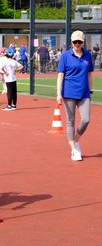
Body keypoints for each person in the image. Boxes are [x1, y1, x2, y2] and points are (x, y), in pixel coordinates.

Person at [56, 30, 94, 161]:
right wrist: (58, 94)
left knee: (86, 119)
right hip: (69, 92)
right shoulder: (65, 56)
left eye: (80, 42)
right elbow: (60, 75)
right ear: (71, 42)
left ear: (83, 42)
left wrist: (90, 90)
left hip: (84, 93)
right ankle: (73, 149)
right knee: (70, 121)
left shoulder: (88, 55)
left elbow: (89, 74)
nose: (77, 44)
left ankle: (76, 140)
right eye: (75, 42)